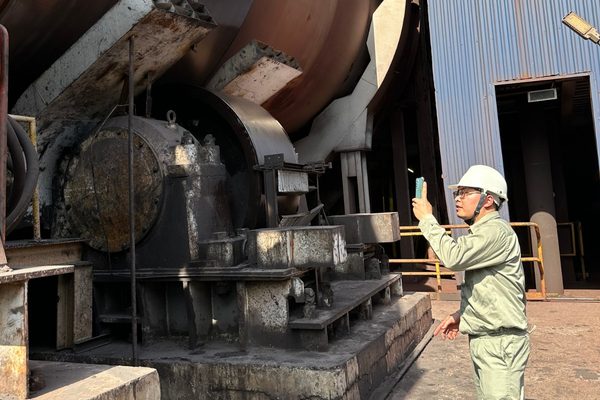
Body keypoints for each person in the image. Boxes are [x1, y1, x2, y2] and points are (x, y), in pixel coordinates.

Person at [412, 165, 529, 400]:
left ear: (488, 200)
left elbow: (454, 257)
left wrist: (427, 219)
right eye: (458, 193)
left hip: (500, 344)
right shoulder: (483, 232)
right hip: (489, 340)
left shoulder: (494, 232)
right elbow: (489, 287)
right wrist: (463, 315)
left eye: (465, 193)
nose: (458, 198)